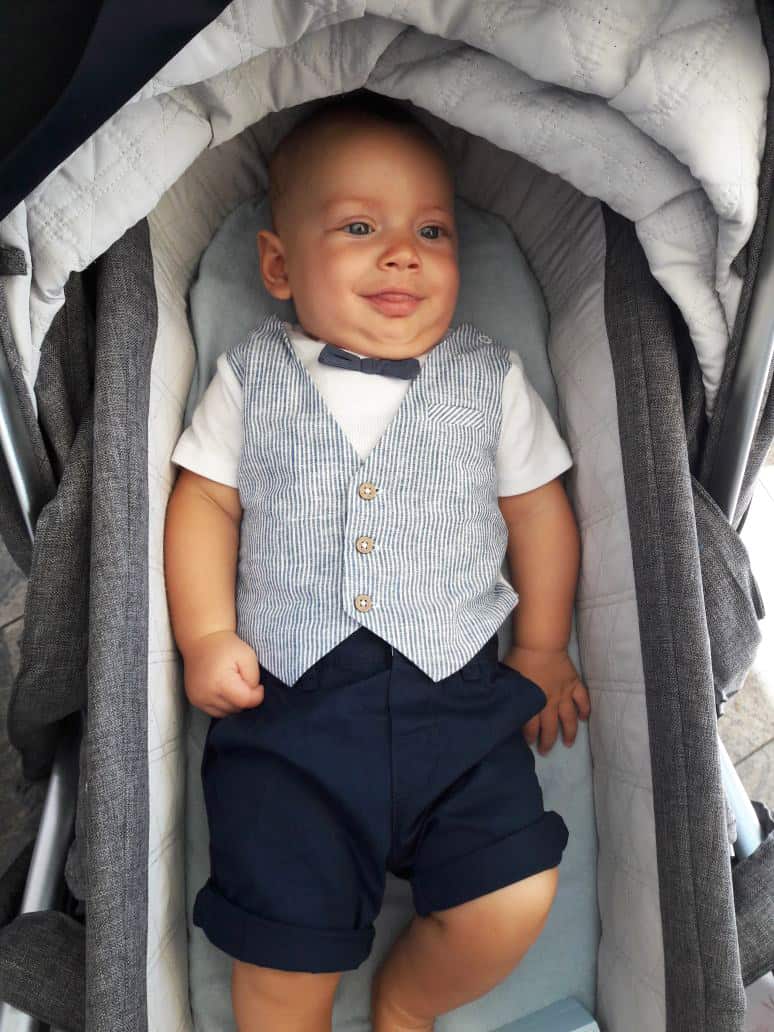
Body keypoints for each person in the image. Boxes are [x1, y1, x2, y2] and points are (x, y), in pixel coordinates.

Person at [164, 91, 591, 1032]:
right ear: (277, 265)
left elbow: (538, 512)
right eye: (360, 226)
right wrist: (205, 633)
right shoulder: (251, 378)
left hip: (461, 713)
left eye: (433, 230)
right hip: (288, 725)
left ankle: (408, 999)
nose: (404, 252)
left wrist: (545, 646)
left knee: (516, 893)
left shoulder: (491, 378)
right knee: (275, 960)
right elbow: (202, 500)